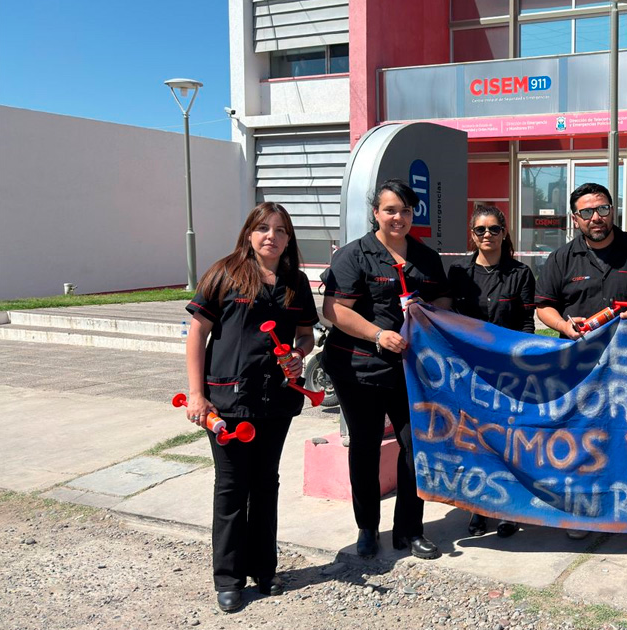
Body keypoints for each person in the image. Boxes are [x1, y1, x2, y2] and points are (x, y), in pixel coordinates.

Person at [184, 202, 317, 613]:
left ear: (288, 239)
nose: (271, 236)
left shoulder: (296, 282)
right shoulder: (224, 273)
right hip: (227, 400)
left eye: (280, 230)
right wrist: (196, 394)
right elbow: (197, 333)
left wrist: (298, 355)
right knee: (230, 486)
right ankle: (228, 578)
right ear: (248, 233)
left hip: (275, 400)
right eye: (263, 228)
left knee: (265, 484)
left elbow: (306, 335)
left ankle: (264, 569)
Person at [533, 182, 627, 545]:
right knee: (584, 437)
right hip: (580, 367)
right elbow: (544, 305)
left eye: (602, 209)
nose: (596, 217)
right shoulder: (562, 258)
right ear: (575, 218)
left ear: (613, 210)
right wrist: (565, 325)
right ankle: (583, 512)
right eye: (587, 211)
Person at [320, 179, 451, 560]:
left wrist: (429, 314)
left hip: (410, 371)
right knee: (365, 446)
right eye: (390, 210)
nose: (399, 217)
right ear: (376, 213)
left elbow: (443, 296)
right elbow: (334, 310)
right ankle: (367, 528)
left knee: (413, 447)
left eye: (406, 210)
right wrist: (378, 334)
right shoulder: (353, 255)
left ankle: (410, 530)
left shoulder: (425, 257)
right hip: (360, 369)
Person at [447, 205, 535, 539]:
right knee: (475, 441)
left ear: (504, 232)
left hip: (508, 372)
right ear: (472, 234)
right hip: (468, 372)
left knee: (508, 441)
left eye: (494, 229)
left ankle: (509, 509)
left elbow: (526, 322)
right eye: (481, 229)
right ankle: (479, 508)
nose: (488, 235)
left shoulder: (520, 273)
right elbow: (447, 317)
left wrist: (521, 363)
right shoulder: (458, 272)